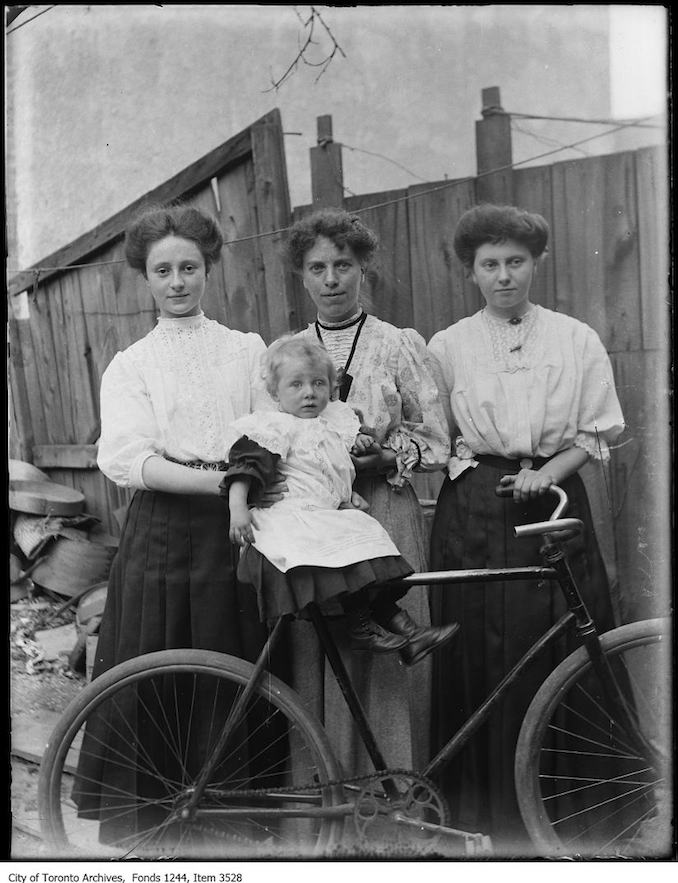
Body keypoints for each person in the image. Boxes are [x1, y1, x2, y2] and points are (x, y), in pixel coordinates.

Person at [72, 203, 281, 846]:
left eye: (189, 267)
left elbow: (267, 431)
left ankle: (231, 819)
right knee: (159, 660)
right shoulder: (132, 364)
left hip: (239, 524)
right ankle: (155, 823)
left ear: (209, 268)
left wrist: (237, 486)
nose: (177, 282)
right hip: (163, 526)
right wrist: (217, 481)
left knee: (230, 654)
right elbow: (129, 458)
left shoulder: (247, 351)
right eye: (163, 271)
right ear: (147, 277)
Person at [426, 203, 625, 853]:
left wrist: (548, 472)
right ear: (471, 272)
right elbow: (438, 439)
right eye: (490, 264)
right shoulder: (448, 345)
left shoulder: (575, 338)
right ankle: (486, 812)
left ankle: (575, 810)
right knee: (484, 654)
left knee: (565, 641)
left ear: (536, 263)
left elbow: (597, 430)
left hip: (556, 501)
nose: (504, 275)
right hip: (476, 509)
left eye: (516, 261)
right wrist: (482, 475)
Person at [287, 207, 452, 775]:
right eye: (317, 268)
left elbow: (436, 441)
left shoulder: (398, 344)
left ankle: (395, 797)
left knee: (387, 645)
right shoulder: (286, 353)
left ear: (364, 268)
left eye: (343, 265)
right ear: (301, 276)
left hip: (384, 512)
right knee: (326, 643)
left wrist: (385, 456)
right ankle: (327, 793)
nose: (331, 279)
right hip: (313, 516)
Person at [222, 335, 458, 661]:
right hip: (291, 517)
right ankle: (362, 626)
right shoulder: (272, 427)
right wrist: (238, 510)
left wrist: (358, 448)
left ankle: (408, 631)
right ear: (275, 393)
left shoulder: (334, 423)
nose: (309, 392)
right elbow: (243, 472)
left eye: (318, 383)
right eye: (296, 385)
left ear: (331, 388)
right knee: (344, 555)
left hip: (327, 511)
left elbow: (331, 469)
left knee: (369, 540)